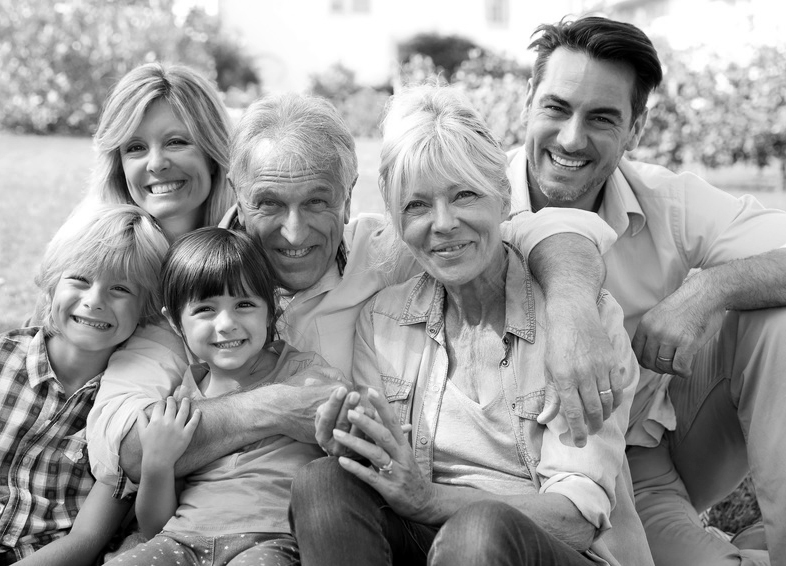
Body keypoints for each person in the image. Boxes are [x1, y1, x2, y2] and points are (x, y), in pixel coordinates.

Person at [289, 84, 650, 566]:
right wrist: (356, 451)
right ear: (395, 219)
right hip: (431, 541)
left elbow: (576, 519)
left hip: (548, 550)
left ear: (503, 197)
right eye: (417, 205)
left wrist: (429, 501)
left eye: (464, 195)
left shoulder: (580, 324)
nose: (443, 223)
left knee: (479, 533)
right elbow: (390, 476)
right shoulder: (384, 320)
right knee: (323, 482)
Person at [506, 16, 786, 565]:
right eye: (557, 108)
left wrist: (711, 289)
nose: (571, 138)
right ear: (528, 102)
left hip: (643, 458)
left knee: (778, 321)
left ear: (635, 129)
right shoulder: (471, 200)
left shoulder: (668, 201)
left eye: (602, 118)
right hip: (513, 466)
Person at [0, 204, 169, 566]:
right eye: (79, 279)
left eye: (120, 289)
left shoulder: (127, 408)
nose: (94, 300)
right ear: (52, 282)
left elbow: (87, 538)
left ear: (147, 307)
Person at [106, 228, 341, 566]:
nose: (227, 323)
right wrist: (157, 463)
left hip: (269, 541)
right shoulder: (184, 399)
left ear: (271, 310)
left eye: (244, 304)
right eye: (205, 309)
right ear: (175, 323)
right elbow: (155, 525)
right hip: (182, 541)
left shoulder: (305, 375)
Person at [86, 62, 235, 242]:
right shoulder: (89, 260)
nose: (156, 164)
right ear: (119, 167)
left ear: (212, 156)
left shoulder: (258, 256)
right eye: (136, 148)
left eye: (175, 142)